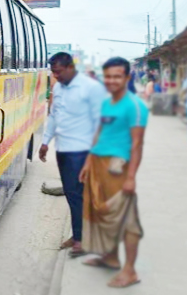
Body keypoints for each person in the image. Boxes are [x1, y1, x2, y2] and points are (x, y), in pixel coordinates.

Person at [79, 57, 148, 288]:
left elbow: (137, 144)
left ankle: (130, 271)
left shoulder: (135, 106)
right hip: (99, 164)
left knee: (128, 220)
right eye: (108, 76)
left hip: (119, 168)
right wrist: (89, 162)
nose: (112, 80)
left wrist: (131, 178)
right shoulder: (107, 103)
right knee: (101, 215)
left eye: (117, 76)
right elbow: (100, 133)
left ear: (127, 78)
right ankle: (110, 257)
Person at [39, 52, 107, 258]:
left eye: (58, 72)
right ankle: (79, 236)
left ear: (70, 67)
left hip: (83, 150)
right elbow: (53, 116)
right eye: (53, 73)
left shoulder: (91, 88)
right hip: (64, 150)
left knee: (82, 195)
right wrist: (44, 142)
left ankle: (84, 239)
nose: (56, 76)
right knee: (72, 194)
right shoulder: (58, 87)